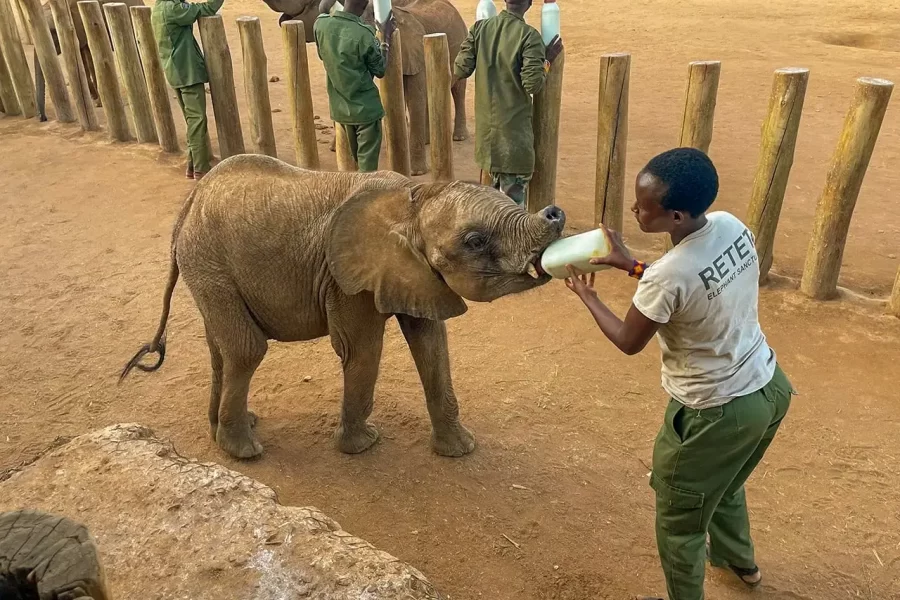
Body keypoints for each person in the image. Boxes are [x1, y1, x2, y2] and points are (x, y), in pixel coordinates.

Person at [563, 148, 794, 600]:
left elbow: (630, 341)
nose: (634, 209)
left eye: (643, 205)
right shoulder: (730, 226)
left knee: (680, 525)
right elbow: (694, 284)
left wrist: (589, 299)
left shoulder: (667, 276)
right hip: (768, 386)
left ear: (675, 215)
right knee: (725, 486)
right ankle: (740, 564)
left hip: (715, 412)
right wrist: (630, 265)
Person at [452, 0, 563, 206]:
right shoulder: (529, 36)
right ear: (529, 4)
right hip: (513, 144)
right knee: (511, 217)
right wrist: (546, 61)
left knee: (494, 208)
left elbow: (461, 69)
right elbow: (532, 84)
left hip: (487, 144)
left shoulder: (479, 28)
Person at [314, 0, 394, 172]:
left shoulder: (321, 24)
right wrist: (386, 40)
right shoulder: (364, 34)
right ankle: (366, 197)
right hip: (366, 111)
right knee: (367, 170)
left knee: (356, 159)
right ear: (364, 6)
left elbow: (322, 54)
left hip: (340, 109)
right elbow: (380, 70)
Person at [152, 0, 223, 181]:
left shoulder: (159, 8)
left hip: (175, 71)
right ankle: (201, 169)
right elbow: (205, 9)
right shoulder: (174, 8)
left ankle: (192, 166)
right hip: (187, 72)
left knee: (192, 120)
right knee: (197, 120)